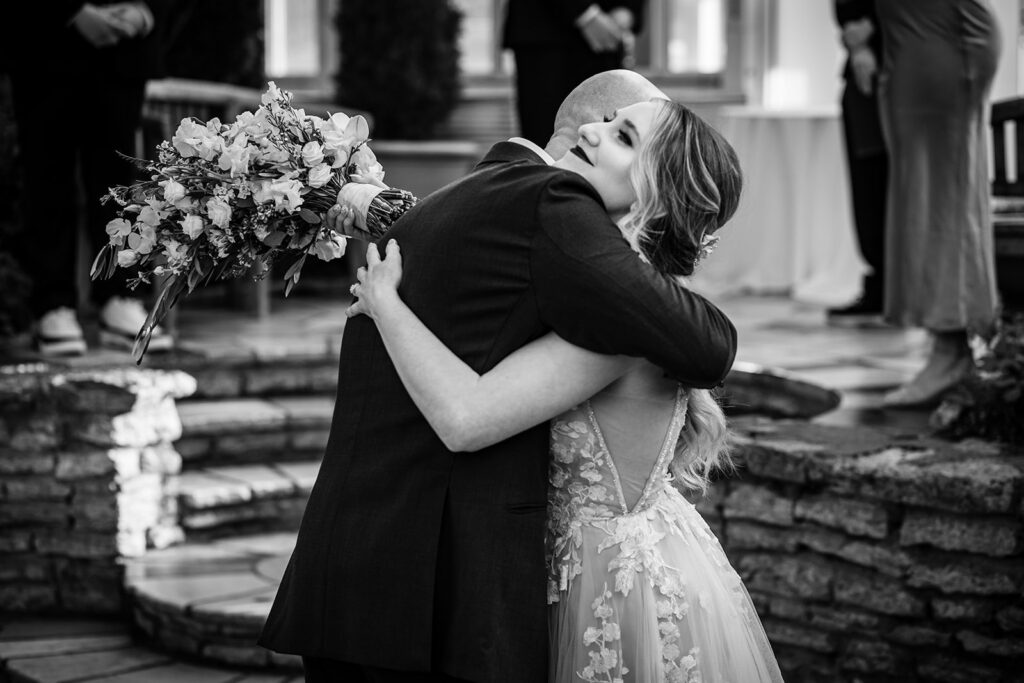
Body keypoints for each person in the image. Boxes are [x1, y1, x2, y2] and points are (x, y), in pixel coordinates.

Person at [258, 71, 738, 682]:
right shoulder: (561, 247)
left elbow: (711, 345)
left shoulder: (610, 312)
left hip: (583, 582)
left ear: (658, 190)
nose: (588, 134)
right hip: (490, 579)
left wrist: (388, 305)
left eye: (621, 135)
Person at [1, 1, 172, 356]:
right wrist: (72, 11)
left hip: (122, 53)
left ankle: (119, 298)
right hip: (46, 45)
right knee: (47, 177)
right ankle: (52, 305)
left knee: (119, 183)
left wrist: (147, 10)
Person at [875, 0, 1001, 408]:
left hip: (946, 68)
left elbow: (975, 15)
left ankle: (951, 350)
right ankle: (944, 346)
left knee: (945, 208)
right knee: (917, 211)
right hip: (908, 66)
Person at [504, 0, 644, 146]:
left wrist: (628, 8)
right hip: (547, 30)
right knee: (546, 143)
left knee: (606, 144)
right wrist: (586, 13)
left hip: (607, 36)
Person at [827, 0, 888, 328]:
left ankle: (892, 282)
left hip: (892, 66)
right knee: (870, 184)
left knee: (879, 185)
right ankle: (883, 279)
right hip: (871, 72)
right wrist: (856, 32)